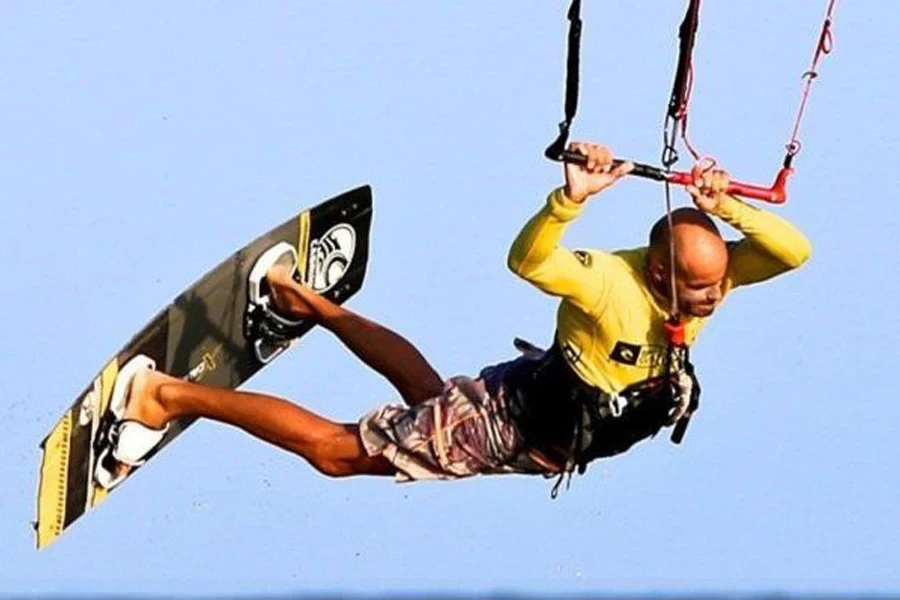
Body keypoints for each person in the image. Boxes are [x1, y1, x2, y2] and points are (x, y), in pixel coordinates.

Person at [107, 142, 812, 488]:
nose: (714, 298)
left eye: (719, 284)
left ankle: (301, 298)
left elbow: (794, 251)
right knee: (339, 453)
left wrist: (725, 209)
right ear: (660, 270)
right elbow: (530, 263)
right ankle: (163, 397)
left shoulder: (705, 283)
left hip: (535, 433)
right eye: (699, 287)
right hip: (509, 425)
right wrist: (568, 202)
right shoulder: (613, 283)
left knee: (429, 397)